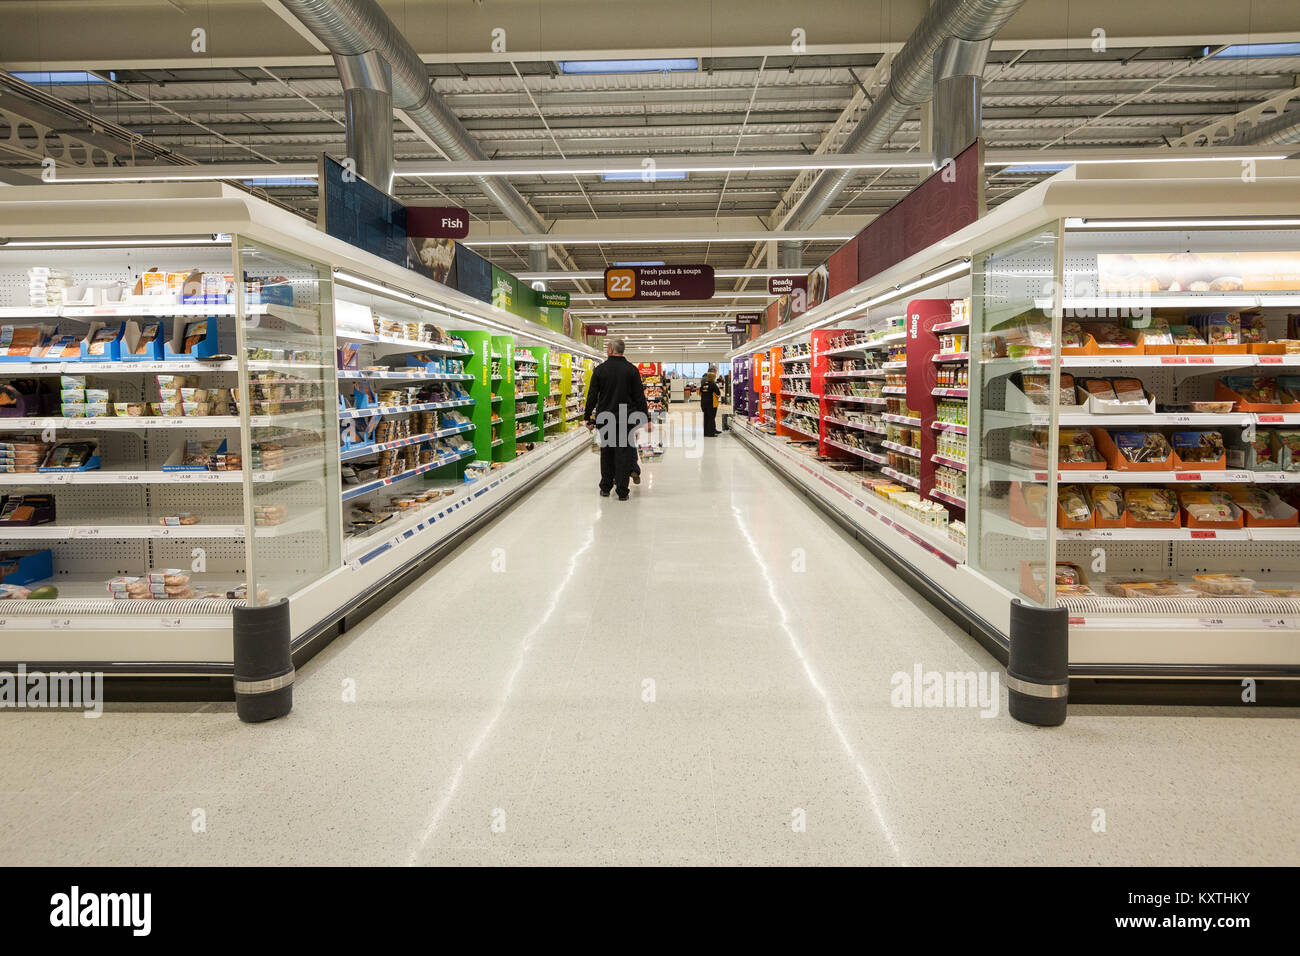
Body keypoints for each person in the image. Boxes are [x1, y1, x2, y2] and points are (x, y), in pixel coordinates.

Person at [584, 338, 650, 500]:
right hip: (626, 419)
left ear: (611, 350)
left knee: (607, 453)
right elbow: (639, 397)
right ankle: (622, 491)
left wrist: (588, 418)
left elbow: (592, 396)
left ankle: (606, 487)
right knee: (624, 454)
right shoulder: (632, 370)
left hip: (605, 419)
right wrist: (645, 417)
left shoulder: (600, 370)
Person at [700, 365, 722, 437]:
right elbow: (718, 393)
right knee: (711, 418)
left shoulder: (703, 385)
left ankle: (705, 432)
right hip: (711, 404)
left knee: (706, 417)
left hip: (703, 403)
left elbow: (700, 393)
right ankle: (711, 433)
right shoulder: (713, 384)